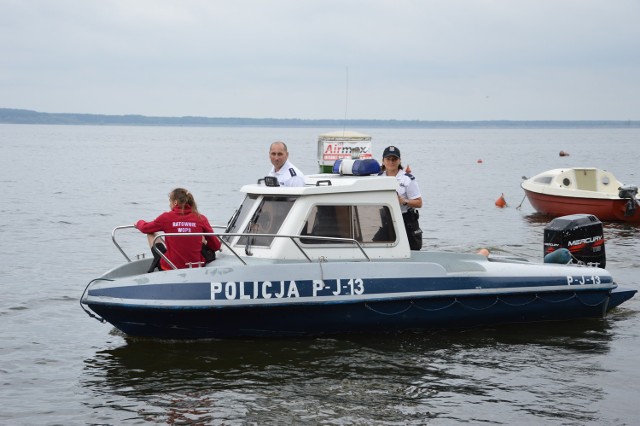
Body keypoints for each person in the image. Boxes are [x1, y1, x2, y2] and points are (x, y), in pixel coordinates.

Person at [134, 188, 221, 271]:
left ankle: (159, 260)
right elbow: (216, 246)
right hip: (196, 266)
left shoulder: (166, 217)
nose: (169, 205)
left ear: (175, 202)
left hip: (171, 266)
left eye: (170, 201)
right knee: (200, 237)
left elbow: (145, 228)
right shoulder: (201, 218)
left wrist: (139, 223)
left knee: (151, 233)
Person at [379, 145, 423, 250]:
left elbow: (419, 203)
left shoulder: (407, 179)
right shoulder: (378, 177)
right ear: (383, 161)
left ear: (399, 161)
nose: (391, 162)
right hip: (386, 218)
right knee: (380, 246)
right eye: (388, 159)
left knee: (413, 249)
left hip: (406, 219)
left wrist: (404, 201)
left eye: (394, 159)